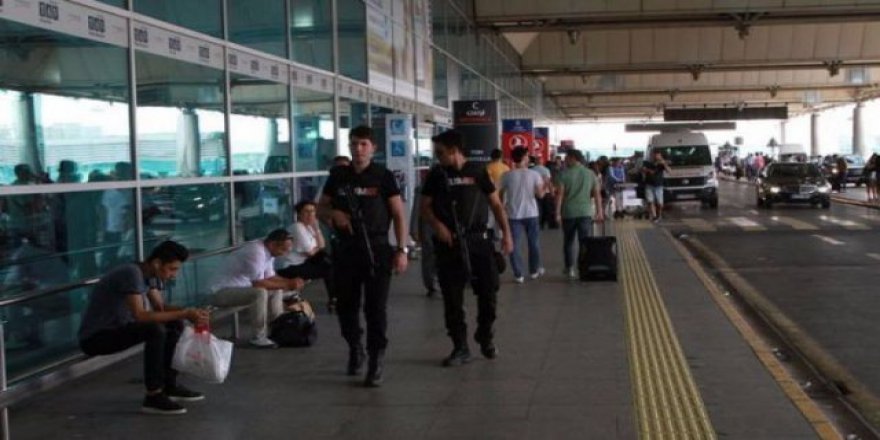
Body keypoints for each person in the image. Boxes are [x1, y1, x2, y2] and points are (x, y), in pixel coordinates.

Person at [317, 125, 408, 387]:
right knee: (346, 306)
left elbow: (398, 214)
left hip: (377, 249)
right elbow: (321, 208)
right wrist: (333, 214)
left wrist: (401, 249)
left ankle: (376, 359)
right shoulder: (338, 176)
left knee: (375, 308)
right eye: (354, 144)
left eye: (364, 144)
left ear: (373, 148)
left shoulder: (383, 176)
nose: (358, 149)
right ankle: (355, 347)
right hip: (346, 249)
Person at [78, 240, 209, 415]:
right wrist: (185, 313)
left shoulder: (150, 275)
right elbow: (140, 315)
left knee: (174, 323)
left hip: (120, 329)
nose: (174, 275)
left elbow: (160, 308)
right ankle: (153, 395)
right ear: (157, 263)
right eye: (171, 269)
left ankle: (169, 385)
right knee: (154, 330)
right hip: (96, 337)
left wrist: (193, 312)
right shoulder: (131, 273)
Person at [420, 129, 513, 367]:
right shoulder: (436, 175)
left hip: (479, 241)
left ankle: (485, 334)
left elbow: (496, 204)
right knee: (452, 298)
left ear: (454, 151)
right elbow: (425, 207)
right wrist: (437, 226)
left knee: (489, 292)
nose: (437, 156)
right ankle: (460, 346)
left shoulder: (478, 172)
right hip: (449, 244)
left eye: (440, 152)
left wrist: (507, 234)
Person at [208, 229, 305, 348]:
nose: (283, 254)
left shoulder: (268, 251)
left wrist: (290, 282)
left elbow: (270, 277)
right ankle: (258, 337)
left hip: (240, 289)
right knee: (259, 293)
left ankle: (277, 328)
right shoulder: (256, 252)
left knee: (276, 289)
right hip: (220, 292)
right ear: (272, 244)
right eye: (283, 250)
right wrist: (288, 285)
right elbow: (258, 283)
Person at [276, 201, 335, 312]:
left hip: (301, 262)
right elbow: (310, 252)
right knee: (328, 267)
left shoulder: (309, 227)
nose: (310, 214)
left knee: (326, 259)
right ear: (299, 214)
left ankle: (334, 298)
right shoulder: (297, 227)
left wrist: (317, 229)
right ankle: (334, 299)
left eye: (312, 211)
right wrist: (315, 249)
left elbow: (322, 246)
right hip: (288, 267)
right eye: (306, 211)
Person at [554, 149, 604, 280]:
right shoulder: (590, 173)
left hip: (568, 213)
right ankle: (583, 267)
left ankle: (570, 268)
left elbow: (560, 195)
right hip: (585, 213)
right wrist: (599, 211)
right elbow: (597, 194)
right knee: (584, 242)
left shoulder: (563, 174)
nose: (565, 160)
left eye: (567, 158)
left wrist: (557, 213)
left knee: (568, 241)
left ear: (573, 158)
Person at [499, 146, 545, 283]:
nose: (529, 157)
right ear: (524, 157)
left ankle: (518, 274)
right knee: (534, 244)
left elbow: (499, 193)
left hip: (513, 215)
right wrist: (546, 186)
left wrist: (502, 205)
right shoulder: (534, 175)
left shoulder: (507, 175)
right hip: (532, 213)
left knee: (514, 245)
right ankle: (534, 271)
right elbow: (540, 195)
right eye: (527, 155)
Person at [410, 181, 438, 296]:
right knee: (429, 255)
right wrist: (414, 229)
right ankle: (431, 284)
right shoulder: (424, 187)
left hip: (443, 225)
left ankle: (437, 282)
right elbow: (417, 209)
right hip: (428, 226)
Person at [641, 150, 671, 222]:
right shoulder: (647, 162)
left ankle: (659, 215)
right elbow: (642, 169)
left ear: (660, 156)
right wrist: (647, 170)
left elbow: (669, 171)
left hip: (659, 185)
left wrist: (664, 164)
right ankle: (654, 216)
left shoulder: (662, 164)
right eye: (655, 155)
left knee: (660, 203)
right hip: (649, 185)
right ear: (652, 155)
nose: (656, 157)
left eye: (658, 155)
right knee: (650, 201)